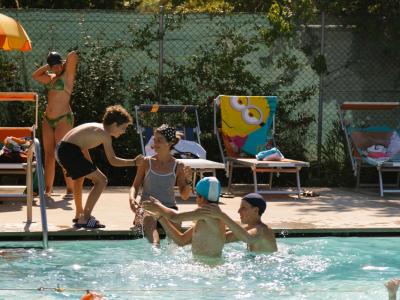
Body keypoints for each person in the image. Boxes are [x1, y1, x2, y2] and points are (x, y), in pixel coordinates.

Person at [57, 105, 144, 228]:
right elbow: (113, 161)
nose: (124, 132)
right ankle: (85, 218)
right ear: (114, 125)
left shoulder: (97, 127)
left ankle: (81, 216)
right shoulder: (104, 134)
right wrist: (134, 162)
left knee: (98, 179)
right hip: (69, 151)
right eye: (123, 128)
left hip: (63, 149)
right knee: (102, 181)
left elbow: (79, 142)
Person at [129, 124, 193, 245]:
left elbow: (185, 196)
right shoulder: (146, 162)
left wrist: (188, 181)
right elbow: (135, 186)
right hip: (147, 207)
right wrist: (132, 199)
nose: (155, 143)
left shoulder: (178, 166)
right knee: (154, 239)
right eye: (154, 139)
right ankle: (155, 254)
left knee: (175, 241)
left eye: (159, 140)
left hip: (168, 208)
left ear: (169, 143)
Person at [32, 50, 78, 199]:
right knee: (49, 155)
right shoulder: (51, 78)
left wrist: (62, 63)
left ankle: (70, 189)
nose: (56, 69)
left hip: (63, 119)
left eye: (58, 66)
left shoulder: (68, 76)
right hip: (48, 119)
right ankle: (48, 189)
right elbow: (35, 75)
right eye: (54, 67)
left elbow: (73, 56)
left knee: (62, 154)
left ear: (62, 65)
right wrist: (49, 65)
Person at [143, 177, 226, 257]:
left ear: (201, 198)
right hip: (205, 266)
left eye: (197, 196)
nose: (196, 200)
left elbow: (175, 217)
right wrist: (160, 217)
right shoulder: (209, 218)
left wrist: (158, 206)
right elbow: (181, 240)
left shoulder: (207, 213)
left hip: (206, 269)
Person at [200, 192, 277, 253]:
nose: (238, 211)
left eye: (243, 208)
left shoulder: (264, 230)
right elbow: (223, 239)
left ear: (256, 210)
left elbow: (248, 238)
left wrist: (222, 216)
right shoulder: (249, 229)